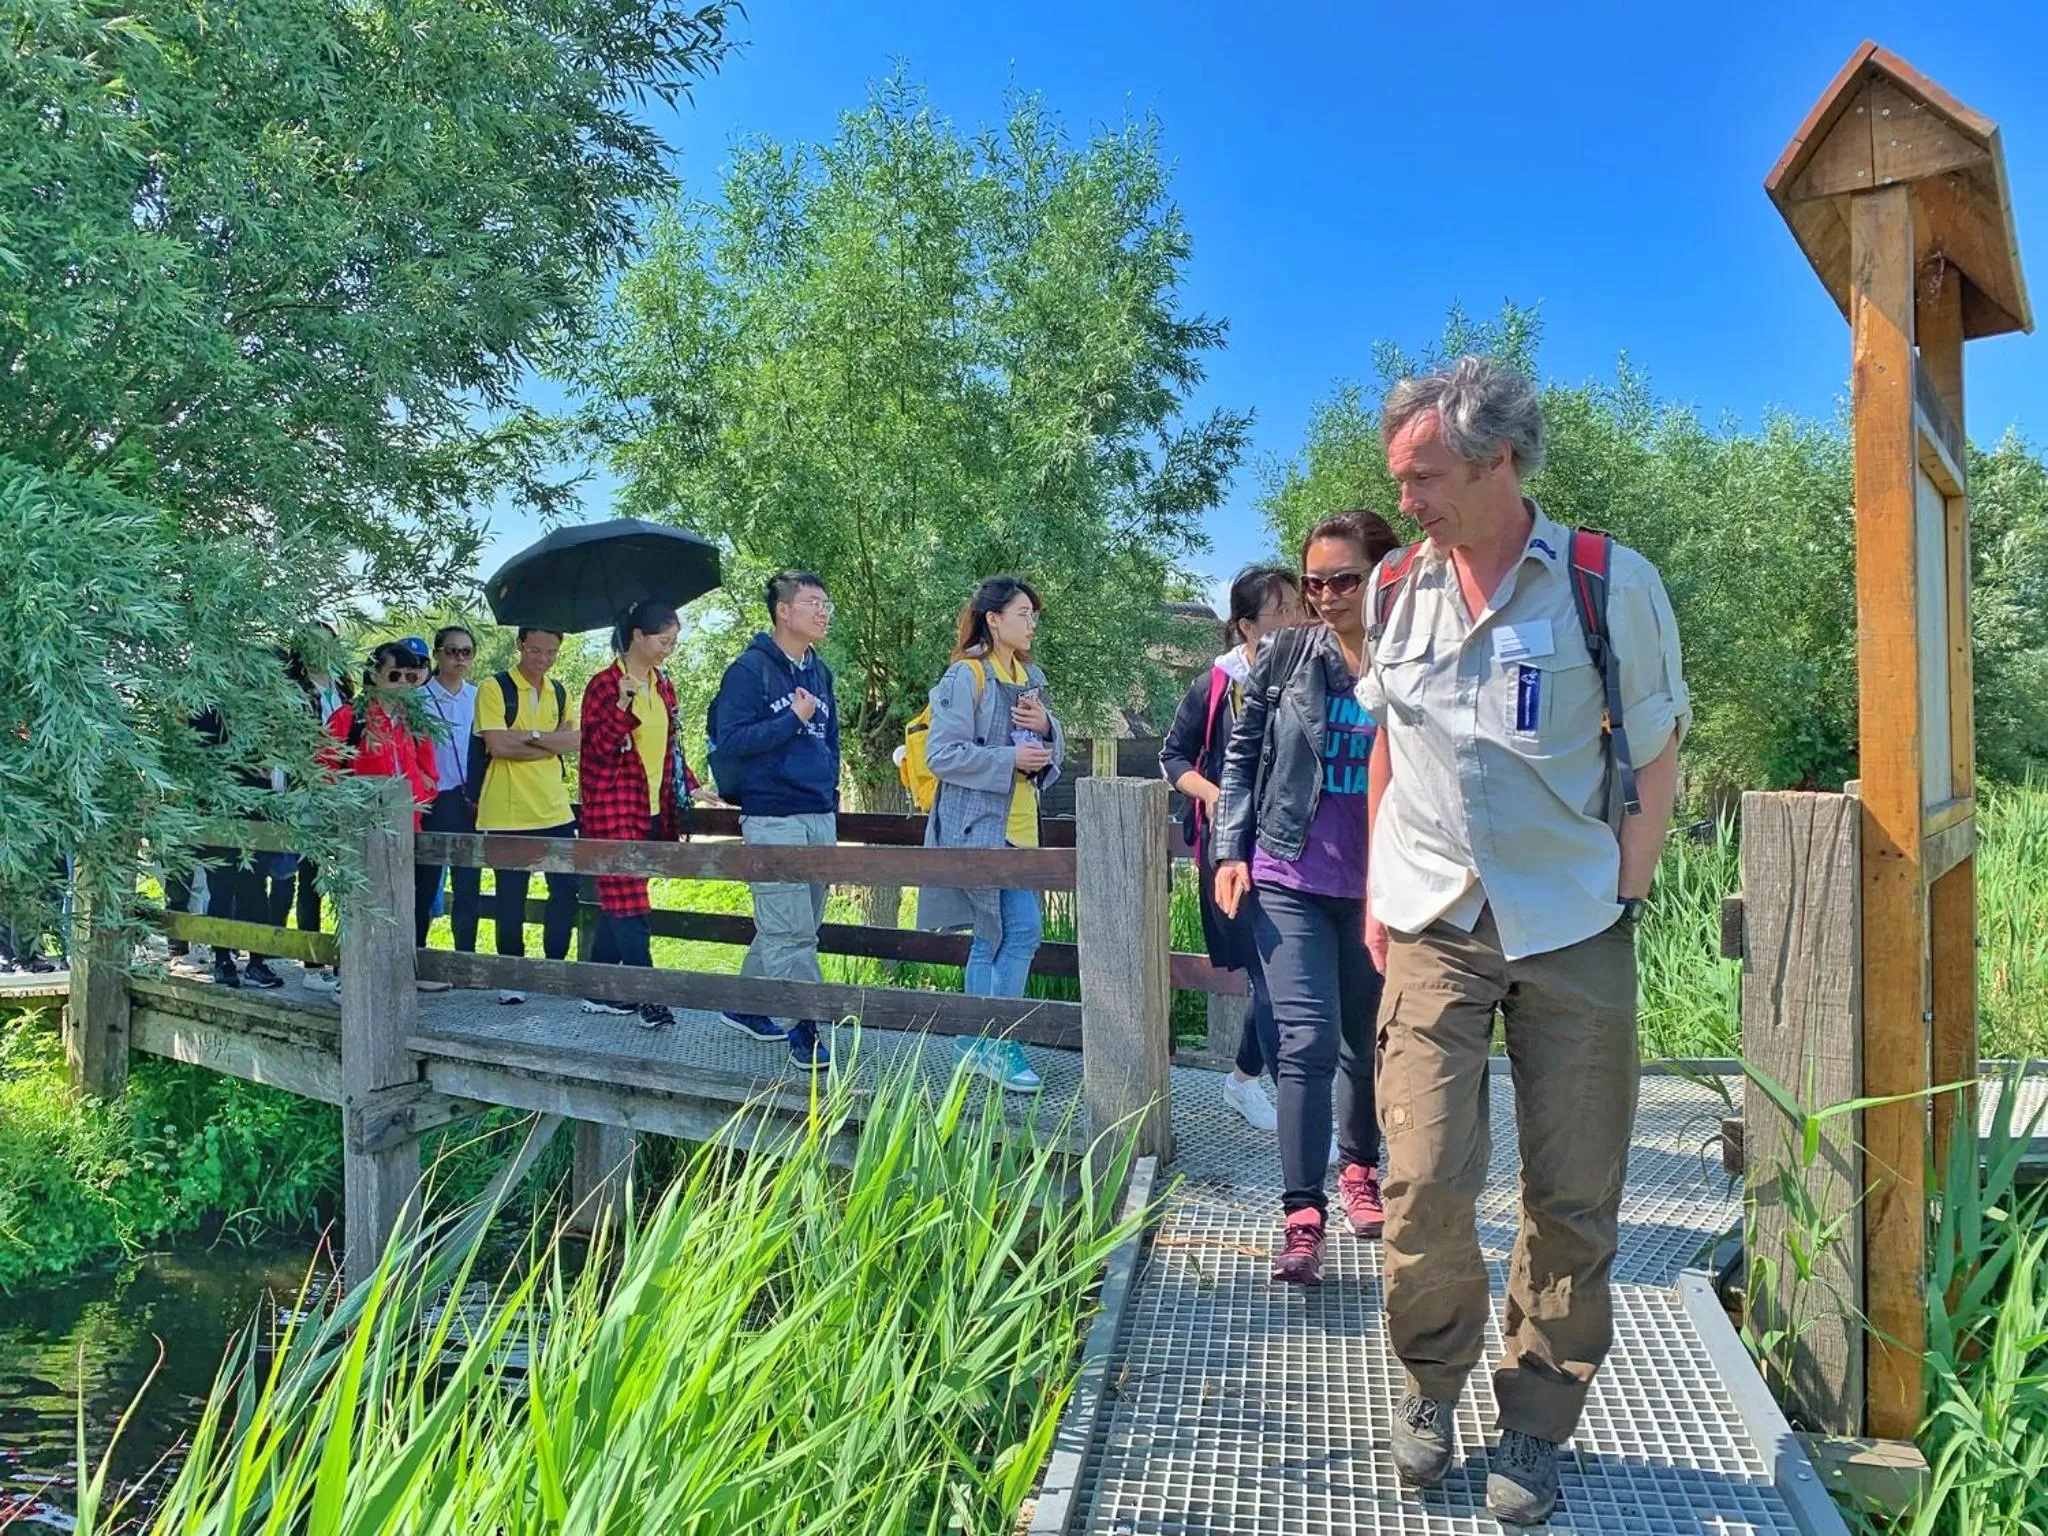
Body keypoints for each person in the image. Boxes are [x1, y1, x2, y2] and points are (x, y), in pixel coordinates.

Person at [1360, 357, 1688, 1524]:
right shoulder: (1394, 587)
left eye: (1425, 477)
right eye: (1399, 479)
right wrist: (1375, 892)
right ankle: (1427, 1383)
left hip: (1570, 920)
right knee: (1420, 1179)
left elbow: (1653, 749)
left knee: (1571, 1192)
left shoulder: (1606, 583)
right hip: (1431, 921)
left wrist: (1624, 893)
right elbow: (1389, 741)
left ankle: (1536, 1422)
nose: (1405, 502)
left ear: (1497, 460)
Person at [1213, 511, 1398, 1288]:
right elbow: (1241, 756)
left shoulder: (1416, 653)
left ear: (1384, 574)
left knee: (1365, 1041)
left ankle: (1360, 1170)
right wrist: (1230, 848)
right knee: (1307, 1041)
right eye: (1315, 581)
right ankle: (1302, 1216)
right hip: (1288, 872)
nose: (1326, 595)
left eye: (1344, 579)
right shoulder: (1287, 655)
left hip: (1383, 884)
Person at [1159, 565, 1305, 1134]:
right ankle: (1294, 1112)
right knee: (1270, 981)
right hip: (1233, 853)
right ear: (1246, 626)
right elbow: (1172, 757)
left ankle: (1245, 1081)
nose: (1295, 619)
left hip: (1298, 850)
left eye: (1297, 607)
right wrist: (1216, 794)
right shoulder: (1217, 685)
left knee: (1284, 982)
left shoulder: (1316, 671)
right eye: (1280, 611)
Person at [917, 575, 1064, 1094]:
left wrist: (1046, 731)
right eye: (1023, 613)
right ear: (993, 619)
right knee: (1013, 932)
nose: (1032, 623)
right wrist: (1010, 758)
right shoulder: (966, 676)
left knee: (999, 934)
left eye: (1033, 615)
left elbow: (1049, 753)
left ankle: (975, 1041)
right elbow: (941, 755)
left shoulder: (1031, 676)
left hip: (1021, 828)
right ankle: (997, 1041)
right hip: (978, 827)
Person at [706, 570, 838, 1073]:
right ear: (784, 611)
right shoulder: (748, 671)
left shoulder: (819, 672)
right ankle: (804, 1026)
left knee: (799, 923)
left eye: (826, 604)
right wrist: (791, 720)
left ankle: (745, 1004)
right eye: (813, 603)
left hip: (817, 812)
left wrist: (829, 794)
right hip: (772, 815)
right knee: (791, 933)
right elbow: (732, 740)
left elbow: (831, 741)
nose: (823, 612)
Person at [576, 601, 700, 1033]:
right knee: (630, 902)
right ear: (637, 636)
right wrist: (622, 705)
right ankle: (649, 996)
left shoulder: (663, 685)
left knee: (620, 898)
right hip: (613, 808)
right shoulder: (604, 685)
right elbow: (597, 749)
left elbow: (669, 745)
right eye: (663, 640)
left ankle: (599, 990)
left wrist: (690, 783)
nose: (669, 649)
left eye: (673, 641)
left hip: (652, 806)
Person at [475, 627, 582, 1004]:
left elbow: (575, 741)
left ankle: (554, 969)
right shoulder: (494, 687)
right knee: (510, 896)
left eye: (551, 652)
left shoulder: (560, 691)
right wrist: (549, 743)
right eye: (535, 650)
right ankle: (512, 974)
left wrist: (529, 735)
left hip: (555, 807)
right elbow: (498, 746)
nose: (543, 659)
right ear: (520, 645)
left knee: (566, 891)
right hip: (507, 810)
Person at [325, 639, 441, 988]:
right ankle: (351, 981)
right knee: (362, 906)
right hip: (362, 829)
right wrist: (355, 804)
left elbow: (431, 775)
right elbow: (324, 771)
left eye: (410, 676)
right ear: (373, 674)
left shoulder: (415, 721)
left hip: (408, 826)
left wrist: (414, 798)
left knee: (405, 903)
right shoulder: (350, 717)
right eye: (394, 675)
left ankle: (402, 976)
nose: (403, 682)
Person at [290, 627, 352, 992]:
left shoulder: (344, 688)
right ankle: (312, 965)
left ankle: (346, 959)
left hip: (344, 791)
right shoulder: (293, 690)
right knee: (310, 877)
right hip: (308, 789)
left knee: (346, 878)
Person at [415, 626, 481, 954]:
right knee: (424, 884)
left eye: (467, 652)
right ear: (437, 654)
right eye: (452, 651)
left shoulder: (480, 697)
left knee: (468, 886)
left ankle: (465, 960)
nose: (459, 658)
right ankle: (416, 955)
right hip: (434, 799)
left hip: (471, 799)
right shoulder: (417, 699)